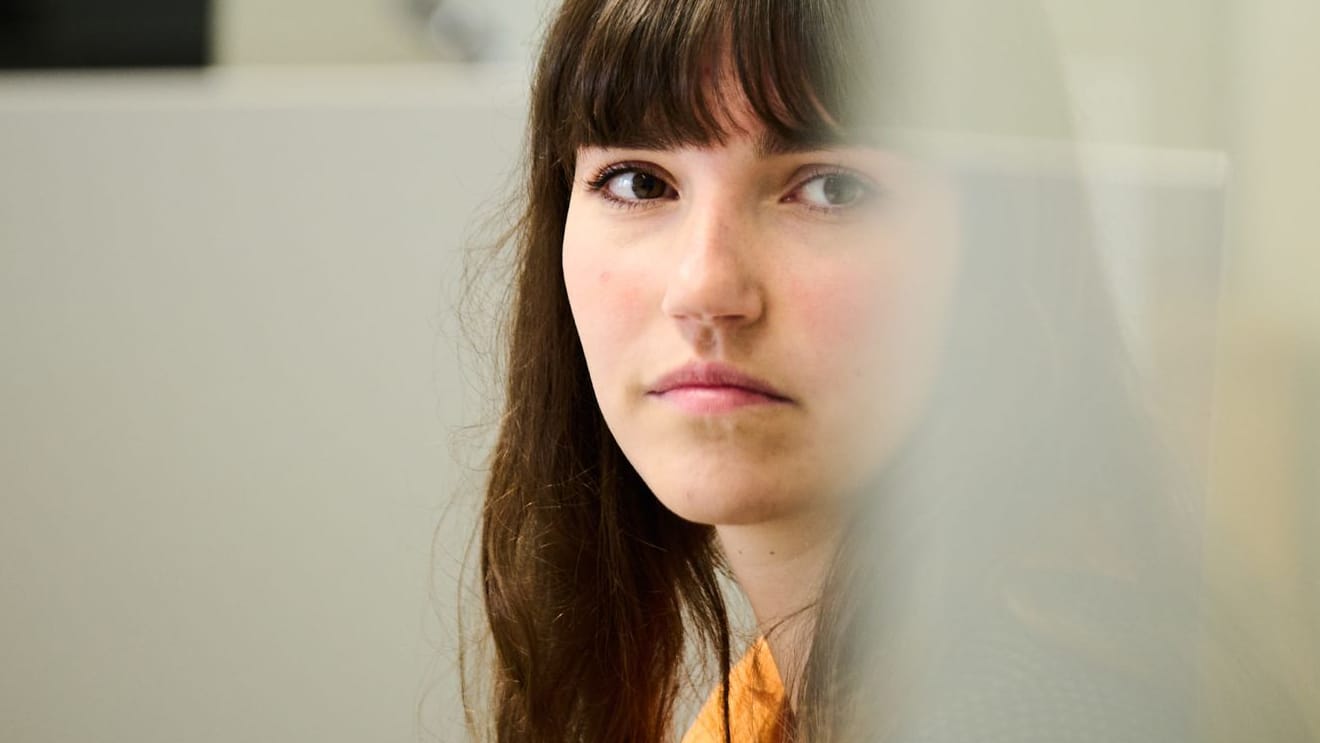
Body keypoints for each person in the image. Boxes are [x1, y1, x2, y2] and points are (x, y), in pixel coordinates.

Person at [462, 0, 1236, 741]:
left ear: (1007, 248)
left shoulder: (1040, 714)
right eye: (639, 182)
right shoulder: (793, 691)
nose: (701, 288)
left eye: (831, 188)